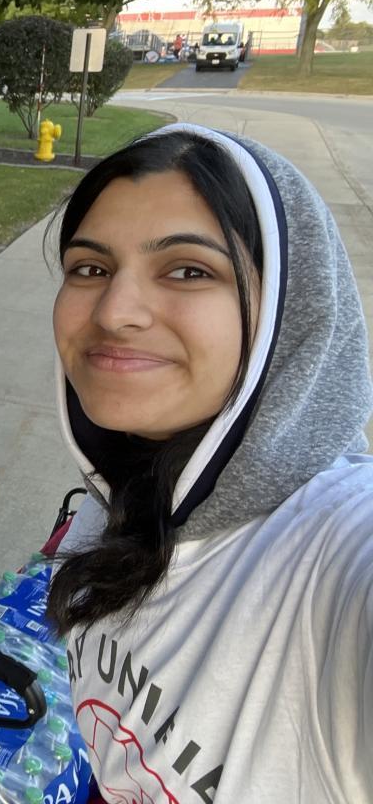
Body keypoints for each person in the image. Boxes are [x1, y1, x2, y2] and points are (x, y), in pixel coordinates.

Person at [47, 123, 373, 800]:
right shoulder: (120, 501)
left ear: (286, 308)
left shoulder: (333, 552)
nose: (114, 311)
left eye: (189, 270)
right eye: (90, 268)